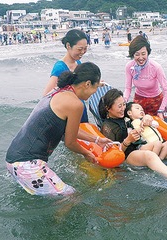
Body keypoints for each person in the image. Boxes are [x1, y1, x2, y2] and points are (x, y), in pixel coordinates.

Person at [6, 62, 103, 196]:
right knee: (69, 196)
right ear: (87, 84)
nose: (95, 92)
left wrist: (97, 139)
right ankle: (57, 218)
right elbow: (70, 142)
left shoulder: (58, 90)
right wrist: (87, 153)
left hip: (13, 160)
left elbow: (68, 132)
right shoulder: (75, 104)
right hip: (27, 165)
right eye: (96, 87)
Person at [98, 89, 167, 188]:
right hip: (129, 154)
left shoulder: (125, 115)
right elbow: (114, 156)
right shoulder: (108, 127)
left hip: (144, 146)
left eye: (124, 104)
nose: (123, 108)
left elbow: (138, 114)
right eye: (119, 106)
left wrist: (146, 117)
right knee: (149, 155)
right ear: (108, 108)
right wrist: (128, 141)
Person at [124, 35, 167, 121]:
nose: (141, 58)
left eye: (143, 54)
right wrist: (124, 102)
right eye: (137, 54)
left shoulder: (156, 67)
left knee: (160, 126)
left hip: (156, 101)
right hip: (139, 102)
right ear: (132, 54)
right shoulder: (129, 67)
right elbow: (128, 88)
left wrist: (161, 110)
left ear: (148, 53)